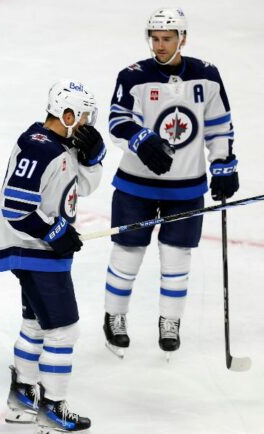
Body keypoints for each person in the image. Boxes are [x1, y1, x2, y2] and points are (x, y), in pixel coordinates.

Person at [103, 7, 239, 358]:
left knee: (177, 257)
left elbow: (219, 125)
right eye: (155, 38)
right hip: (136, 185)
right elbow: (118, 121)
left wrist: (223, 162)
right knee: (127, 253)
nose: (159, 46)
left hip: (186, 187)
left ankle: (170, 321)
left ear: (183, 38)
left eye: (167, 38)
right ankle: (115, 317)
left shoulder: (206, 76)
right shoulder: (133, 76)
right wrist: (142, 140)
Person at [0, 80, 105, 433]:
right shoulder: (37, 147)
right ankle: (52, 408)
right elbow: (15, 208)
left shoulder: (62, 144)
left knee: (37, 325)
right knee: (64, 330)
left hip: (40, 251)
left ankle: (22, 397)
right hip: (33, 251)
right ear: (67, 115)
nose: (88, 123)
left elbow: (84, 187)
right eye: (84, 116)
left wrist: (92, 158)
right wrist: (54, 232)